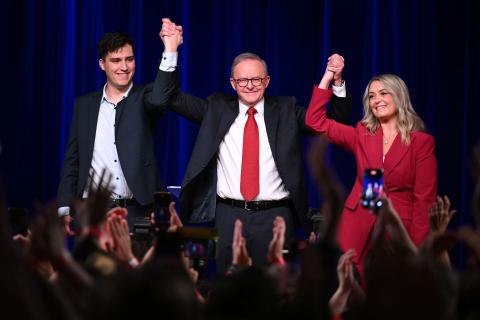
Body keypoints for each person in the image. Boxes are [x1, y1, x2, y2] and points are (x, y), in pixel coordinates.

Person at [154, 18, 352, 273]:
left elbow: (333, 123)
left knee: (276, 293)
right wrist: (170, 49)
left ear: (267, 81)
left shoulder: (286, 110)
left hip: (276, 216)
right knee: (229, 289)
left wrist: (336, 82)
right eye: (243, 80)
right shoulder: (215, 108)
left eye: (256, 80)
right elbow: (164, 97)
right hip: (228, 215)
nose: (249, 85)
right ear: (232, 83)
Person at [305, 56, 437, 275]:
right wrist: (329, 76)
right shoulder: (362, 134)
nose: (377, 100)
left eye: (384, 93)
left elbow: (424, 200)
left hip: (396, 229)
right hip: (356, 226)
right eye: (372, 96)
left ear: (399, 97)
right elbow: (315, 122)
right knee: (345, 289)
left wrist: (416, 248)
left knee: (387, 296)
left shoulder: (421, 143)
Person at [57, 32, 166, 231]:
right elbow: (73, 159)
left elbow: (162, 95)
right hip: (92, 212)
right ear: (102, 64)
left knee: (135, 263)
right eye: (115, 60)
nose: (123, 67)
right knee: (93, 264)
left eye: (129, 59)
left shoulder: (145, 98)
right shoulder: (84, 105)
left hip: (137, 212)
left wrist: (170, 50)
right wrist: (64, 208)